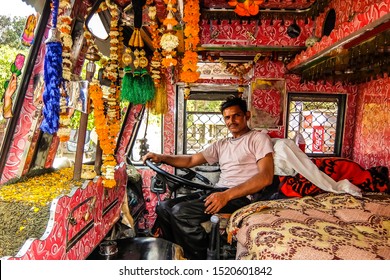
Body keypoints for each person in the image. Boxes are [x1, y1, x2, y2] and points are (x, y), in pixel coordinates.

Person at [142, 96, 274, 259]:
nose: (231, 121)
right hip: (218, 191)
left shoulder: (258, 139)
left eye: (236, 115)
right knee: (164, 207)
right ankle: (176, 252)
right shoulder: (221, 144)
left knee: (181, 212)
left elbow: (266, 177)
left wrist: (226, 195)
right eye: (227, 117)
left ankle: (199, 260)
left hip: (240, 196)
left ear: (246, 115)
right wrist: (162, 157)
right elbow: (190, 160)